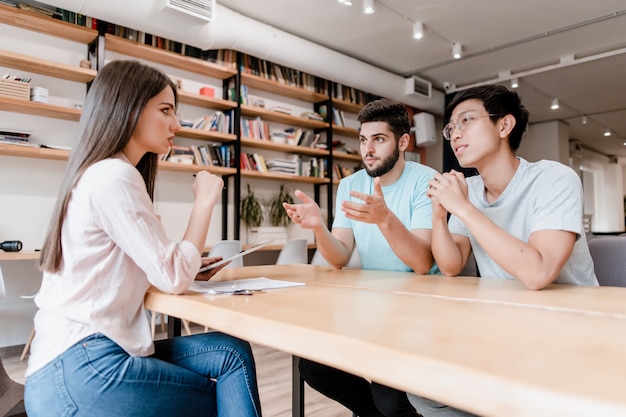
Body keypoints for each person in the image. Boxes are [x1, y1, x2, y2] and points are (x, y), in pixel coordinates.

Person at [24, 60, 263, 417]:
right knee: (219, 397)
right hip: (81, 368)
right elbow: (173, 277)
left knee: (230, 352)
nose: (176, 124)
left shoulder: (102, 173)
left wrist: (184, 268)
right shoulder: (113, 176)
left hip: (72, 362)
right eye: (165, 110)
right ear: (128, 109)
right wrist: (205, 201)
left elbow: (156, 268)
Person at [409, 84, 598, 417]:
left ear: (504, 125)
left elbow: (538, 273)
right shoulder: (473, 192)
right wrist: (440, 214)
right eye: (451, 127)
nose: (455, 134)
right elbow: (451, 265)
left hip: (571, 332)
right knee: (423, 390)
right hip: (507, 327)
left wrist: (464, 208)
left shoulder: (554, 179)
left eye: (466, 121)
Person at [284, 98, 437, 417]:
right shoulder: (351, 184)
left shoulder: (426, 181)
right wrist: (318, 228)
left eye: (378, 139)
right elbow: (338, 256)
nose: (367, 149)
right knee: (313, 368)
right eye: (363, 140)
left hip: (418, 309)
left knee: (391, 401)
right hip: (370, 306)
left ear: (403, 141)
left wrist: (385, 218)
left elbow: (422, 263)